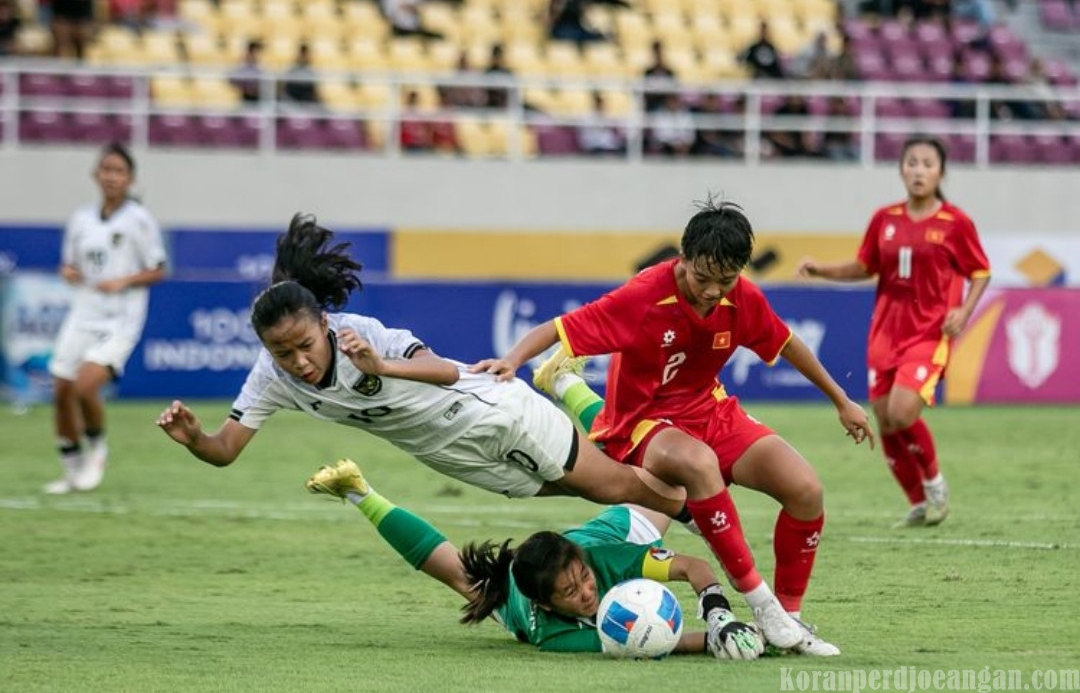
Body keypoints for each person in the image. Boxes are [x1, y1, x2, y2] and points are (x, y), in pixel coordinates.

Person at [470, 196, 875, 655]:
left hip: (709, 408)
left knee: (805, 488)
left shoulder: (740, 298)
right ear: (683, 259)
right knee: (698, 464)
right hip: (641, 422)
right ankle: (762, 605)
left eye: (725, 280)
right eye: (702, 279)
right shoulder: (644, 296)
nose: (711, 291)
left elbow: (786, 343)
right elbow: (559, 328)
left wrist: (841, 401)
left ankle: (790, 620)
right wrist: (511, 360)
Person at [155, 213, 689, 522]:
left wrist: (380, 364)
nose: (298, 362)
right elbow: (225, 449)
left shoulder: (360, 334)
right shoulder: (272, 378)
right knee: (588, 488)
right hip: (452, 456)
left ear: (323, 321)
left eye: (304, 345)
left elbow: (446, 372)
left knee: (613, 487)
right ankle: (677, 485)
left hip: (491, 413)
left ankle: (707, 516)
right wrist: (195, 437)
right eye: (282, 353)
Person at [305, 457, 764, 659]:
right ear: (546, 604)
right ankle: (358, 491)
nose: (586, 592)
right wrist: (719, 645)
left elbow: (692, 568)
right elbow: (658, 643)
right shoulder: (548, 632)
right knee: (454, 573)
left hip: (612, 532)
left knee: (666, 482)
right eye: (571, 592)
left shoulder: (601, 558)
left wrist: (721, 618)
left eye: (582, 580)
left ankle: (565, 382)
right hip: (523, 580)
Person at [797, 136, 991, 529]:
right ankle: (918, 503)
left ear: (941, 172)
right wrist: (822, 270)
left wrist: (965, 311)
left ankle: (934, 480)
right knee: (884, 420)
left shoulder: (955, 223)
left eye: (927, 164)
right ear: (902, 169)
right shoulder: (885, 218)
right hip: (885, 333)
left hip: (929, 332)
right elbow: (864, 266)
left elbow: (981, 271)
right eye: (912, 163)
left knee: (903, 412)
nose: (919, 171)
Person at [45, 142, 168, 494]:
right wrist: (68, 272)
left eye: (119, 171)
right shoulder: (81, 219)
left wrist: (124, 280)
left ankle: (97, 449)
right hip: (83, 311)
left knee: (85, 385)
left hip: (120, 319)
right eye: (106, 170)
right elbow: (71, 264)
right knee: (61, 388)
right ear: (96, 175)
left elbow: (158, 269)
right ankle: (71, 467)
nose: (111, 176)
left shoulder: (139, 220)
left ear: (130, 178)